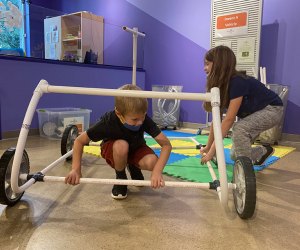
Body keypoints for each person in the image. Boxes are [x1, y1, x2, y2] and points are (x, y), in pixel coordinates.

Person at [65, 84, 172, 199]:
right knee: (121, 146)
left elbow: (166, 145)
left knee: (153, 163)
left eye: (143, 116)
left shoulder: (142, 118)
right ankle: (121, 177)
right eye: (135, 119)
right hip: (115, 150)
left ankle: (133, 167)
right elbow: (79, 141)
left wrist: (157, 171)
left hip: (136, 147)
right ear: (119, 114)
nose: (140, 122)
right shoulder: (108, 121)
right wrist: (75, 169)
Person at [200, 45, 283, 165]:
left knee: (239, 128)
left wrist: (211, 153)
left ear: (219, 65)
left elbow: (229, 120)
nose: (204, 68)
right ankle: (263, 151)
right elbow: (216, 121)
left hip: (272, 109)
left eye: (207, 64)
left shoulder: (237, 82)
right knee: (236, 155)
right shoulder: (222, 87)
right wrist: (208, 147)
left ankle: (244, 170)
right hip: (255, 114)